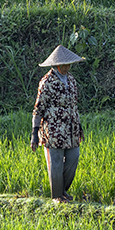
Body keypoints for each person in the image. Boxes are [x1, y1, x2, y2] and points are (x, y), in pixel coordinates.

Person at [31, 45, 85, 203]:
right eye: (64, 65)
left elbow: (74, 105)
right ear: (57, 65)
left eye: (69, 65)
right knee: (55, 165)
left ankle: (62, 191)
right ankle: (57, 197)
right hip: (53, 131)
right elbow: (38, 109)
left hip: (71, 130)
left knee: (73, 159)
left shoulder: (71, 80)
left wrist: (79, 126)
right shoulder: (46, 82)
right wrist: (34, 134)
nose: (67, 67)